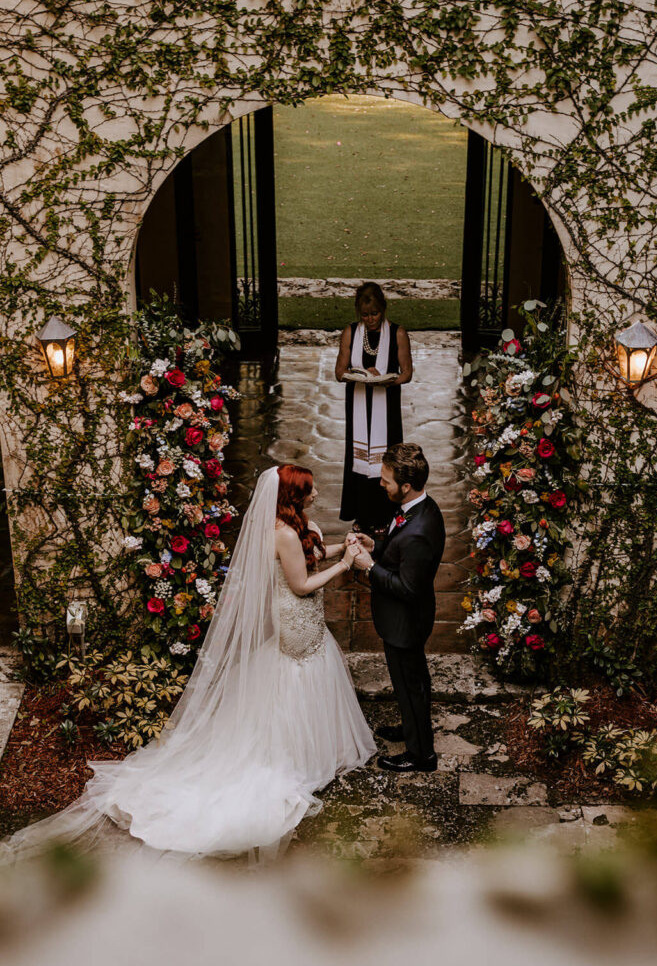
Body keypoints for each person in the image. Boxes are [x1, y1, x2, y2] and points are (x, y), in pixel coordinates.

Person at [2, 465, 375, 863]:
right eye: (310, 490)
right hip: (295, 617)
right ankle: (295, 755)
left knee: (308, 673)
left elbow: (309, 554)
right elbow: (300, 584)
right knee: (295, 674)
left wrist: (343, 547)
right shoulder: (280, 533)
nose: (317, 494)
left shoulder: (295, 526)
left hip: (308, 619)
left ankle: (315, 749)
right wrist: (344, 566)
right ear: (293, 496)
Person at [351, 443, 445, 773]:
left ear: (405, 486)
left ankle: (422, 756)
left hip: (405, 623)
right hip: (404, 620)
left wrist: (368, 566)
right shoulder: (420, 506)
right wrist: (375, 546)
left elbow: (406, 587)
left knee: (411, 686)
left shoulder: (419, 531)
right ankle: (410, 729)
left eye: (386, 480)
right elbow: (400, 553)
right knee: (408, 684)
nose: (381, 484)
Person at [335, 283, 413, 536]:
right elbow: (339, 373)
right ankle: (361, 514)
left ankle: (385, 514)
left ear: (383, 309)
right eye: (365, 315)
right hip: (358, 404)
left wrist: (388, 380)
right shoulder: (350, 332)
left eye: (375, 314)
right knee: (359, 458)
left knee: (387, 459)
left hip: (386, 405)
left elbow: (407, 373)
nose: (370, 320)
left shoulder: (398, 333)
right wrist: (358, 375)